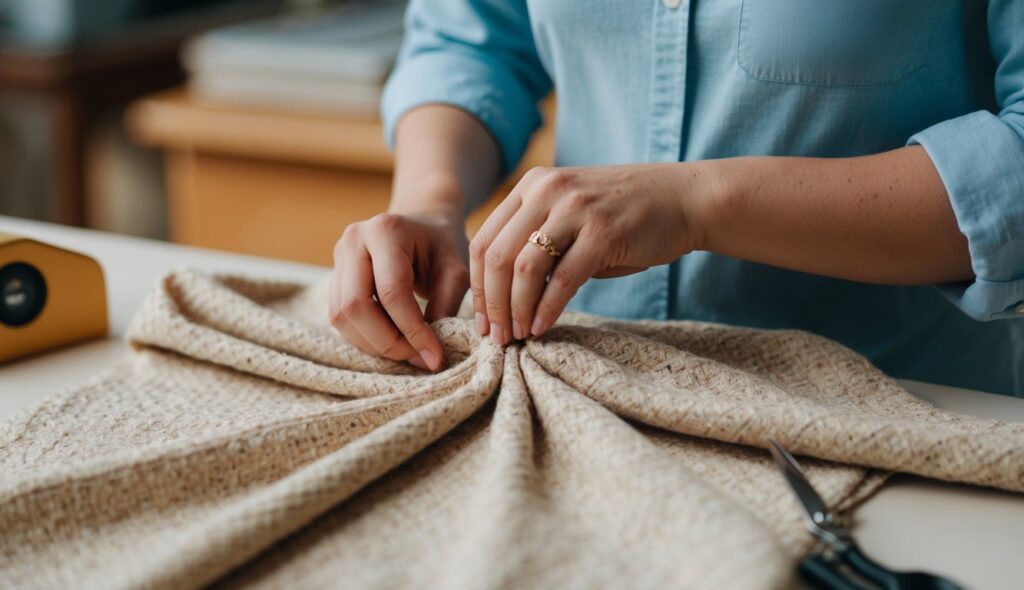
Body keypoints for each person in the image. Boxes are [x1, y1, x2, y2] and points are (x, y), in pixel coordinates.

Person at [327, 0, 1024, 396]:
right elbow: (470, 39)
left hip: (903, 404)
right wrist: (431, 197)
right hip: (578, 389)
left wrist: (700, 203)